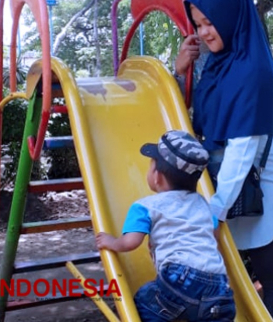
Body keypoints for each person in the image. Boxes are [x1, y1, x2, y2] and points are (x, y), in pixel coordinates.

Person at [174, 0, 273, 322]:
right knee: (231, 280)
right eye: (198, 24)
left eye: (210, 22)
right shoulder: (218, 64)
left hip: (266, 190)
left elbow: (243, 146)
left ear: (232, 15)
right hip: (230, 187)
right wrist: (181, 71)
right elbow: (194, 123)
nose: (203, 32)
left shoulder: (254, 70)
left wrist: (216, 207)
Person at [95, 130, 235, 322]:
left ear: (157, 177)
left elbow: (130, 242)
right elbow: (214, 235)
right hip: (219, 286)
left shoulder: (145, 206)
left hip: (180, 280)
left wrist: (112, 242)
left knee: (143, 302)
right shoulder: (204, 204)